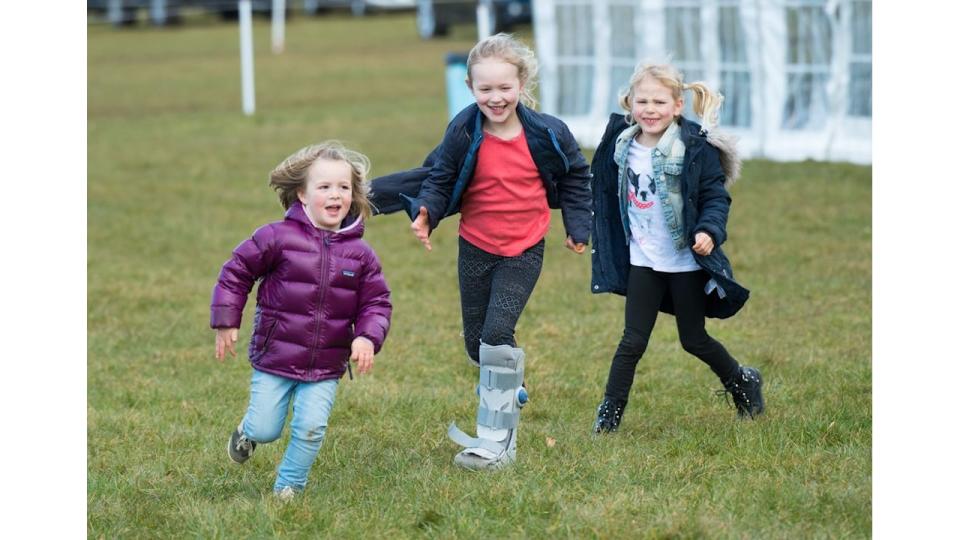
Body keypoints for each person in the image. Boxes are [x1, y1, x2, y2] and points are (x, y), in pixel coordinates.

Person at [369, 33, 591, 470]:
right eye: (485, 89)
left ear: (522, 83)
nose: (496, 98)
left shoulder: (548, 133)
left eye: (505, 88)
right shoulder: (463, 129)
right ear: (470, 87)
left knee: (495, 336)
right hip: (475, 246)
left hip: (524, 249)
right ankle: (508, 383)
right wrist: (427, 212)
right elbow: (439, 176)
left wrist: (578, 225)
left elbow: (576, 178)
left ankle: (497, 444)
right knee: (477, 345)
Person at [210, 141, 392, 499]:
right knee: (265, 428)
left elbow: (377, 301)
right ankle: (248, 431)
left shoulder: (360, 254)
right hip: (275, 356)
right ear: (302, 195)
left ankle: (288, 486)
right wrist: (226, 319)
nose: (335, 194)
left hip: (326, 363)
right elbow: (236, 272)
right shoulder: (277, 238)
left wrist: (367, 337)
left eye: (343, 187)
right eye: (324, 187)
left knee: (311, 427)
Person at [590, 63, 764, 433]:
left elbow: (716, 197)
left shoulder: (693, 148)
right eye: (642, 101)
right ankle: (609, 415)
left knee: (694, 339)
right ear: (630, 103)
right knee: (632, 340)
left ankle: (743, 381)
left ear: (677, 105)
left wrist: (708, 231)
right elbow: (602, 187)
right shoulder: (621, 143)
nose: (650, 109)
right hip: (643, 260)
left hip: (685, 260)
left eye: (659, 101)